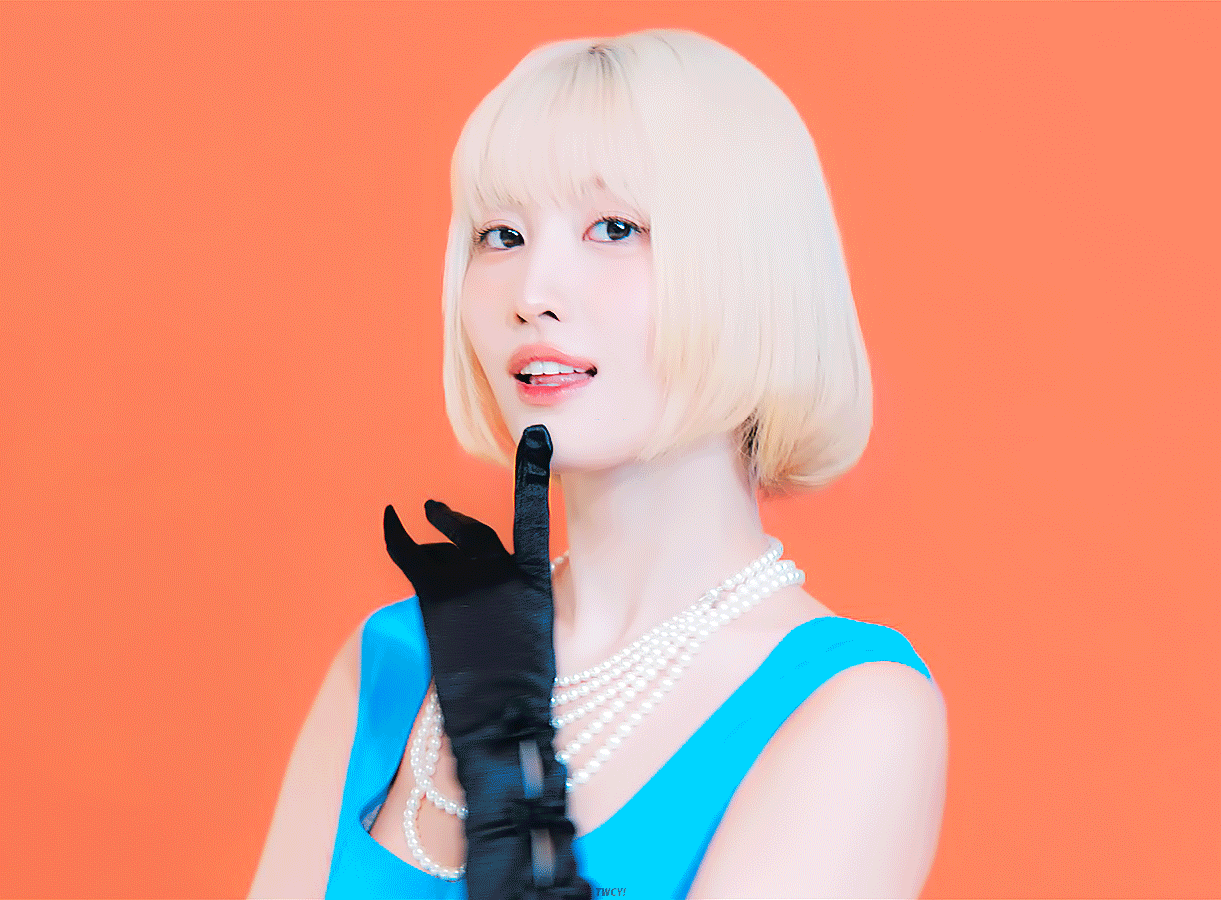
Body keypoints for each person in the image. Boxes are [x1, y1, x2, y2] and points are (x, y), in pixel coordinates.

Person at [250, 28, 948, 900]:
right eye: (500, 234)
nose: (532, 292)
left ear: (754, 275)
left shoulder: (849, 709)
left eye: (614, 229)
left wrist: (513, 798)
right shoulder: (391, 660)